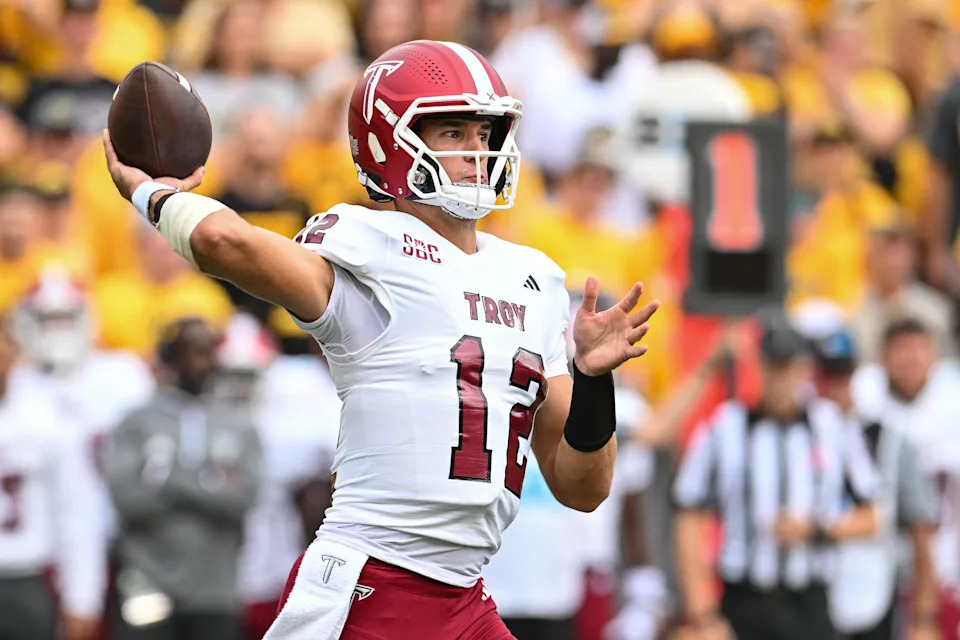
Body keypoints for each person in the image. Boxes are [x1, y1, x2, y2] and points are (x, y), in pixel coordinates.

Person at [102, 39, 660, 639]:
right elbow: (227, 244)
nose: (478, 151)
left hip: (464, 592)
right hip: (372, 582)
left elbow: (583, 487)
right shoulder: (370, 244)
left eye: (485, 132)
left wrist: (593, 380)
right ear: (388, 142)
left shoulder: (536, 280)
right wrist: (152, 193)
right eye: (453, 133)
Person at [673, 319, 879, 640]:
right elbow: (689, 513)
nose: (781, 378)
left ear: (805, 370)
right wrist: (701, 611)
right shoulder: (725, 427)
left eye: (789, 367)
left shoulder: (834, 427)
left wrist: (816, 529)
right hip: (743, 600)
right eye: (773, 367)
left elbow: (871, 516)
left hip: (809, 601)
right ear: (759, 368)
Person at [103, 317, 263, 640]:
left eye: (208, 351)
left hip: (215, 588)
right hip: (147, 581)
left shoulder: (238, 424)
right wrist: (208, 480)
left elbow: (242, 499)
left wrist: (166, 477)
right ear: (170, 356)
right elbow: (127, 499)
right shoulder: (137, 421)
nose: (203, 361)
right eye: (192, 351)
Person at [811, 328, 938, 640]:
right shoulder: (794, 436)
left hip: (870, 590)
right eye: (825, 377)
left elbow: (921, 529)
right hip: (805, 596)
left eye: (840, 377)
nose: (832, 388)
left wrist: (924, 617)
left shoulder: (887, 439)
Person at [0, 310, 106, 640]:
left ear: (13, 347)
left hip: (27, 575)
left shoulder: (48, 415)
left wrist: (82, 597)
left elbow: (76, 510)